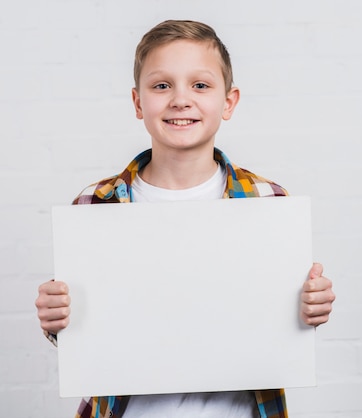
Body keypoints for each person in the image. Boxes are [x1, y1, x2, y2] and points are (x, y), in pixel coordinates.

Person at [35, 19, 335, 418]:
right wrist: (57, 321)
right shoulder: (95, 205)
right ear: (138, 102)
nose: (180, 99)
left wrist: (310, 308)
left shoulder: (270, 202)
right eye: (162, 86)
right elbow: (89, 336)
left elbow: (279, 325)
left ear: (228, 102)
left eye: (200, 85)